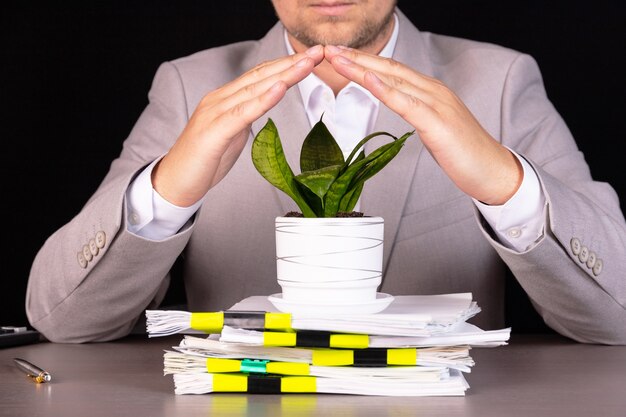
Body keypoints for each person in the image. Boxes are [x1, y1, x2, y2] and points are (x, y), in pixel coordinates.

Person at [26, 0, 626, 344]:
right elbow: (62, 320)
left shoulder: (498, 81)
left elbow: (616, 316)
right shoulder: (192, 86)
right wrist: (166, 193)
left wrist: (505, 184)